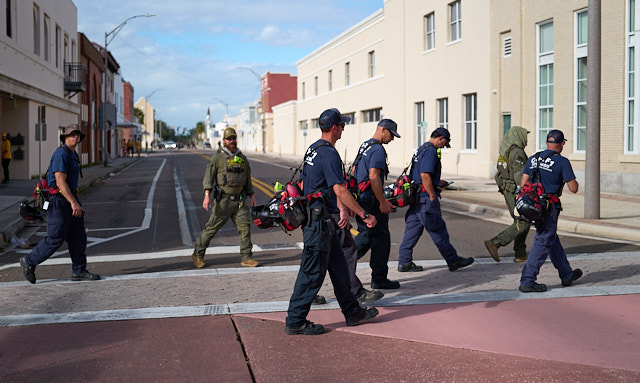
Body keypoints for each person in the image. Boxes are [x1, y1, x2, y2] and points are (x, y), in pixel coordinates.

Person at [285, 108, 379, 335]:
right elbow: (340, 189)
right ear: (335, 127)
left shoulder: (314, 149)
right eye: (342, 125)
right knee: (312, 272)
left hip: (323, 221)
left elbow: (321, 187)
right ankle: (295, 321)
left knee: (339, 268)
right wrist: (364, 214)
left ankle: (352, 311)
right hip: (318, 224)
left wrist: (340, 210)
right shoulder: (328, 153)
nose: (344, 128)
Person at [19, 124, 100, 284]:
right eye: (72, 134)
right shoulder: (61, 154)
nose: (75, 137)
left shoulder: (72, 154)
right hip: (59, 202)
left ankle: (79, 271)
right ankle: (29, 261)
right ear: (65, 137)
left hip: (69, 199)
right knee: (55, 238)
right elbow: (60, 182)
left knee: (78, 237)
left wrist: (74, 201)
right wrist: (73, 203)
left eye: (78, 135)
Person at [397, 128, 474, 273]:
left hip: (417, 199)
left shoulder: (421, 149)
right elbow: (425, 175)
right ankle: (453, 260)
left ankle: (404, 261)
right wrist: (432, 194)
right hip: (426, 199)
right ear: (440, 138)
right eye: (444, 143)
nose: (443, 146)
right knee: (438, 230)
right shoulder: (431, 151)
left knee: (411, 231)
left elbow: (420, 176)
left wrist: (437, 182)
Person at [519, 129, 582, 292]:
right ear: (561, 144)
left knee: (551, 237)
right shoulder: (562, 162)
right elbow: (573, 188)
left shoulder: (534, 158)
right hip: (549, 206)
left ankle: (566, 274)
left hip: (533, 206)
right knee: (543, 240)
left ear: (548, 142)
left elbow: (524, 181)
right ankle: (528, 280)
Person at [192, 127, 259, 268]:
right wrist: (206, 196)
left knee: (245, 228)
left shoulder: (242, 158)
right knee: (211, 228)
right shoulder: (217, 158)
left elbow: (247, 178)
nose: (232, 141)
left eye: (234, 138)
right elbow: (208, 178)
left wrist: (251, 195)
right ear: (224, 140)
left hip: (240, 200)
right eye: (229, 139)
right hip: (223, 201)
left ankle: (247, 257)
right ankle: (198, 254)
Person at [354, 119, 400, 290]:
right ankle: (378, 278)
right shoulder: (378, 149)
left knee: (367, 235)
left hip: (363, 198)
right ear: (382, 130)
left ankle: (343, 263)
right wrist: (382, 202)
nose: (392, 139)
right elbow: (374, 177)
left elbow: (354, 171)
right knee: (378, 239)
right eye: (391, 134)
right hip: (372, 201)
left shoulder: (365, 146)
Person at [484, 126, 531, 263]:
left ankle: (520, 253)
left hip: (507, 189)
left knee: (521, 221)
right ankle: (495, 243)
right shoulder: (517, 153)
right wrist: (524, 193)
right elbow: (520, 176)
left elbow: (498, 173)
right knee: (523, 221)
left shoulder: (504, 151)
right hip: (515, 191)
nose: (526, 138)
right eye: (524, 135)